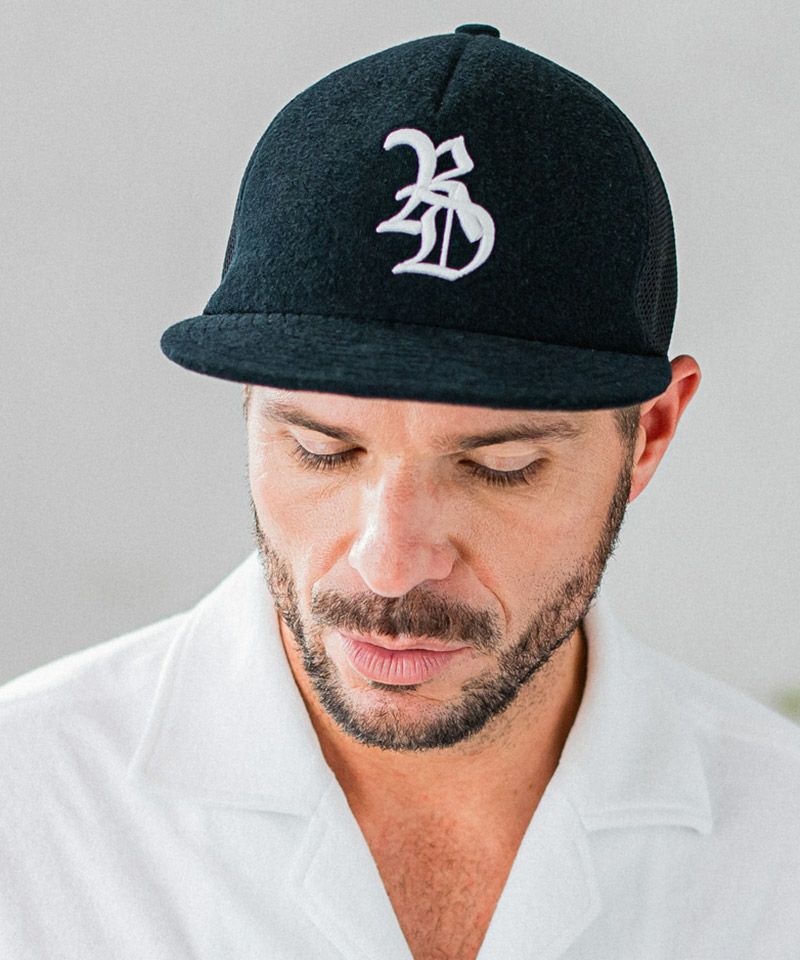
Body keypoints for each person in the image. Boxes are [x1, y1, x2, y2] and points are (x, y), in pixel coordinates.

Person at [3, 23, 799, 960]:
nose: (389, 566)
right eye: (322, 451)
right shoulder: (28, 807)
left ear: (650, 435)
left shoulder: (778, 839)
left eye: (499, 466)